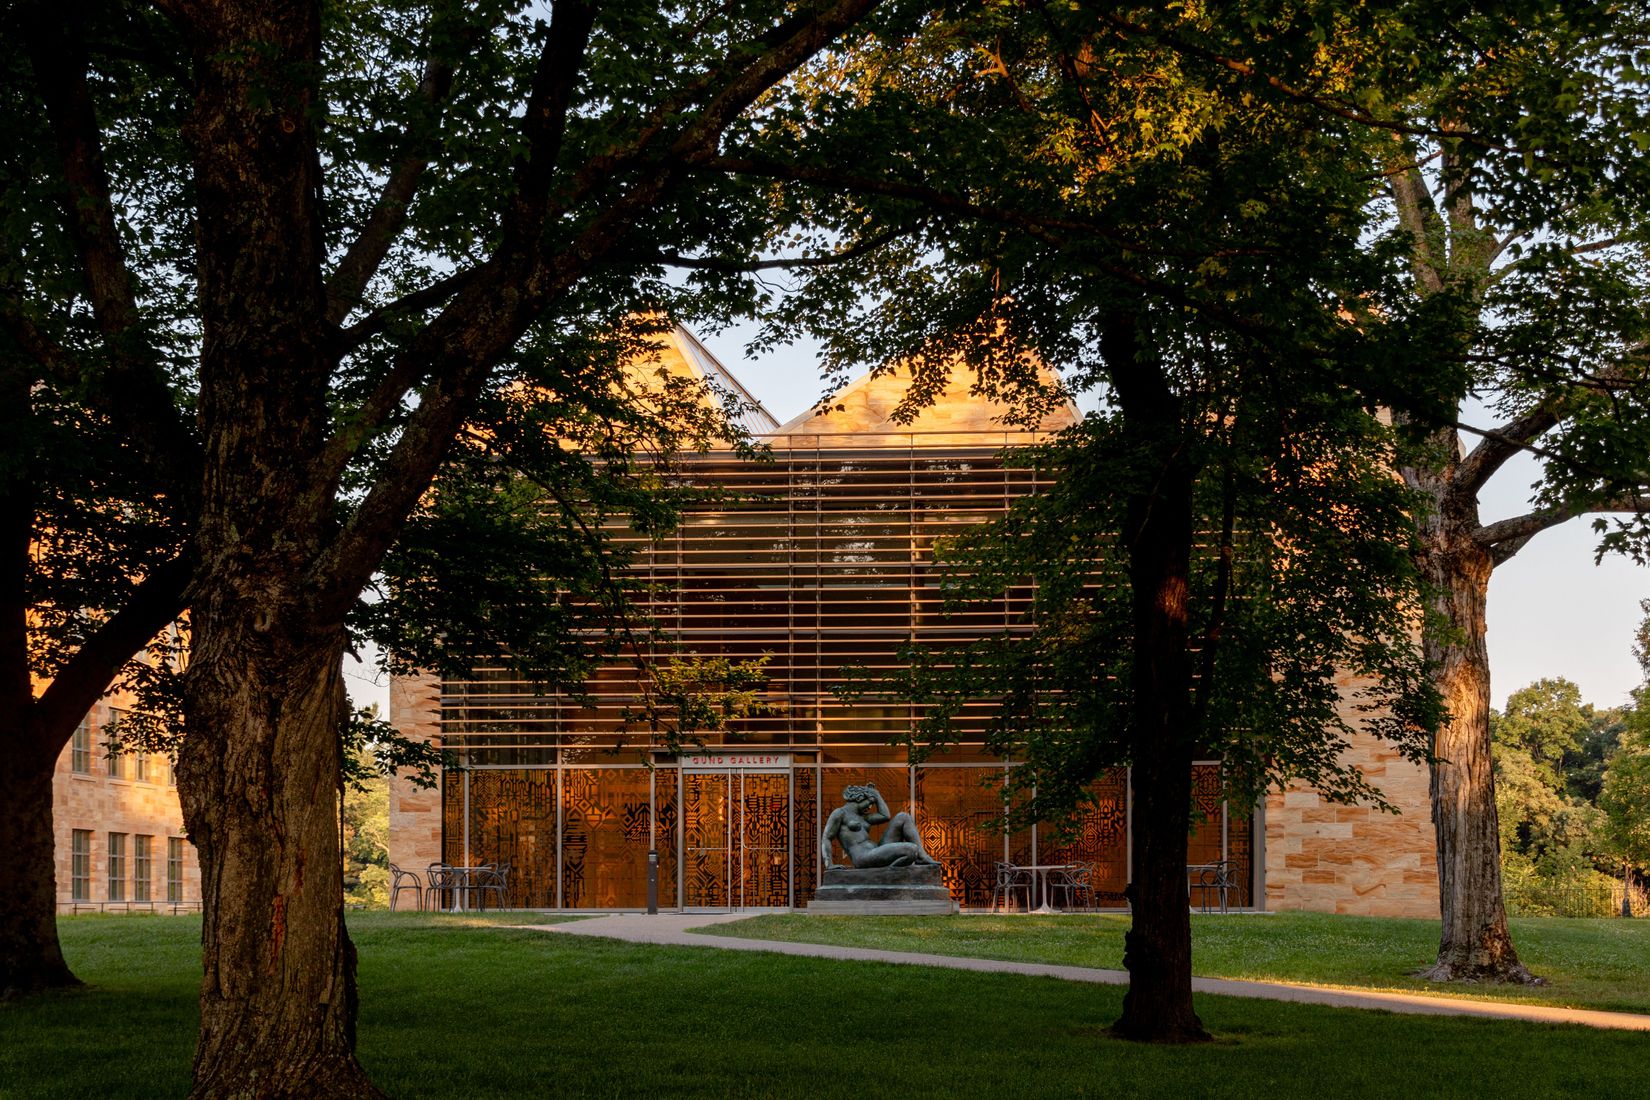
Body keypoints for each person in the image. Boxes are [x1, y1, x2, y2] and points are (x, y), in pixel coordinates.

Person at [820, 782, 939, 869]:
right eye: (870, 802)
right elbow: (827, 837)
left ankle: (922, 857)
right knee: (911, 849)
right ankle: (888, 871)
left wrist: (876, 796)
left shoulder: (863, 817)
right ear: (859, 798)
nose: (870, 807)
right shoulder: (840, 813)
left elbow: (885, 816)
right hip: (863, 857)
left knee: (903, 816)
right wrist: (829, 864)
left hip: (875, 851)